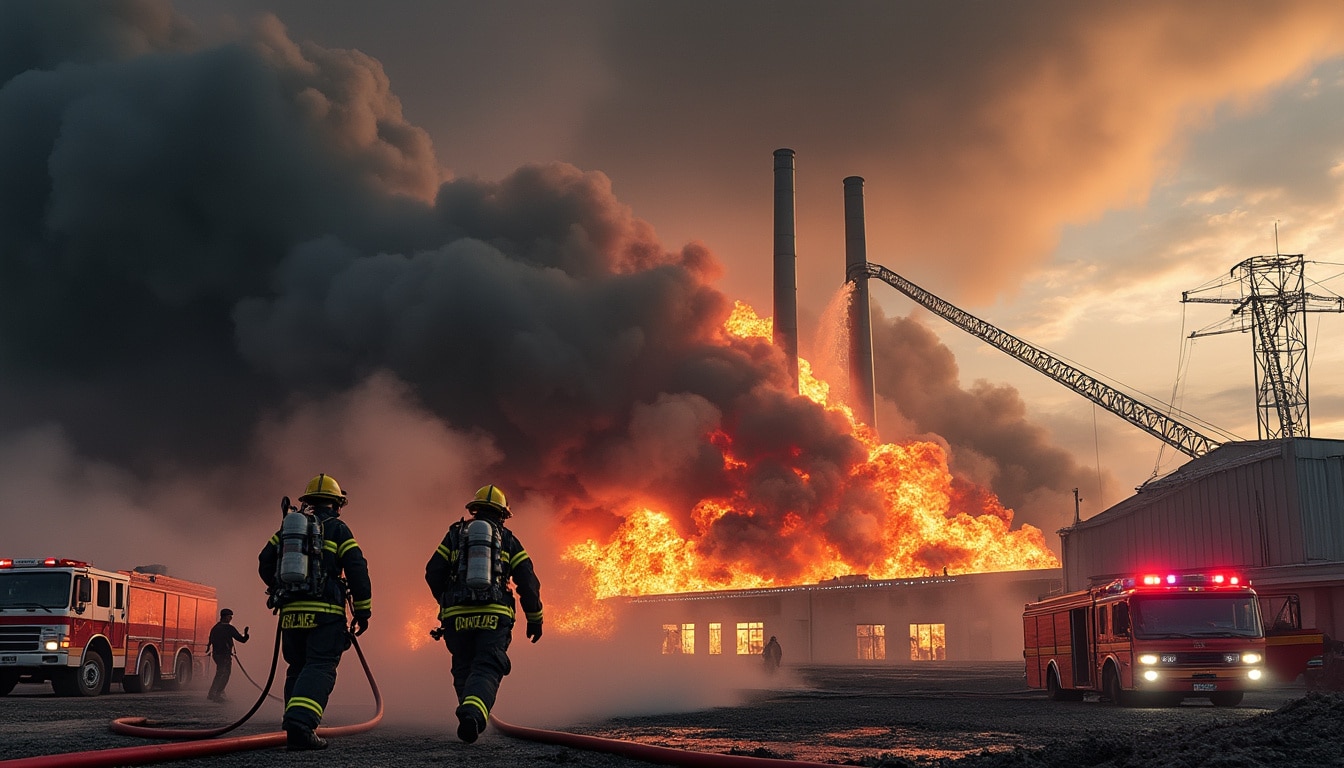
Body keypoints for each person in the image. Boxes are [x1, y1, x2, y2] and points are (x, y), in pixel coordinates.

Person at [259, 473, 372, 751]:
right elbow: (357, 569)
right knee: (320, 665)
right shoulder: (338, 529)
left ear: (308, 502)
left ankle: (295, 723)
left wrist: (280, 588)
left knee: (297, 666)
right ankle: (300, 724)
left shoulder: (288, 529)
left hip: (291, 613)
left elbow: (264, 562)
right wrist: (363, 611)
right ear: (337, 504)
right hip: (325, 613)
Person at [425, 484, 542, 744]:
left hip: (456, 615)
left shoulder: (455, 536)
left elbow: (433, 571)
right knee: (487, 666)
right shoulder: (508, 539)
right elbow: (528, 582)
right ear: (502, 514)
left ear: (474, 510)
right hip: (493, 613)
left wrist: (446, 600)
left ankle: (470, 713)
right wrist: (535, 618)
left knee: (463, 665)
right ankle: (473, 713)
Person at [205, 608, 249, 702]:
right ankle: (218, 694)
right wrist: (246, 635)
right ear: (225, 617)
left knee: (219, 673)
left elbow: (210, 639)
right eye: (229, 617)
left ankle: (212, 693)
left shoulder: (215, 627)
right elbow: (241, 640)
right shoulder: (229, 628)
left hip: (216, 655)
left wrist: (209, 647)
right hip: (224, 655)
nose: (230, 619)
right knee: (225, 674)